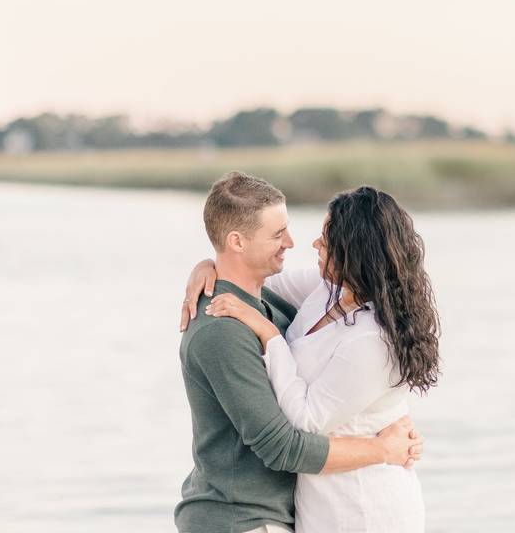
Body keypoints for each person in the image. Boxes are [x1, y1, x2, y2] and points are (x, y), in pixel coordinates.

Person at [181, 183, 441, 532]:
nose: (304, 243)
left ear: (355, 251)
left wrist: (269, 334)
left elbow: (304, 422)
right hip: (282, 511)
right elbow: (251, 281)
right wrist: (204, 267)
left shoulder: (373, 337)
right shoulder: (326, 292)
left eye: (325, 239)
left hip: (362, 506)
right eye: (278, 233)